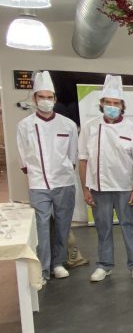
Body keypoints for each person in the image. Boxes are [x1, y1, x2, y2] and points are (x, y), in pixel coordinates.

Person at [78, 74, 133, 282]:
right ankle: (104, 265)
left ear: (122, 106)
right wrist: (85, 189)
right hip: (98, 187)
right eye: (109, 103)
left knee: (129, 225)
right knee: (103, 227)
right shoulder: (90, 127)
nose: (112, 107)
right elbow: (83, 160)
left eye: (116, 103)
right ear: (101, 103)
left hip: (124, 186)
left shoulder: (132, 128)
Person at [16, 71, 78, 281]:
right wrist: (34, 175)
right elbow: (24, 157)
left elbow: (73, 156)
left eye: (49, 97)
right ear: (34, 99)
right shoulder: (24, 126)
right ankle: (43, 268)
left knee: (62, 225)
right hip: (38, 183)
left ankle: (58, 263)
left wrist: (65, 171)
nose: (45, 101)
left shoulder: (67, 125)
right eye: (41, 97)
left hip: (64, 182)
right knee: (41, 227)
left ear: (55, 99)